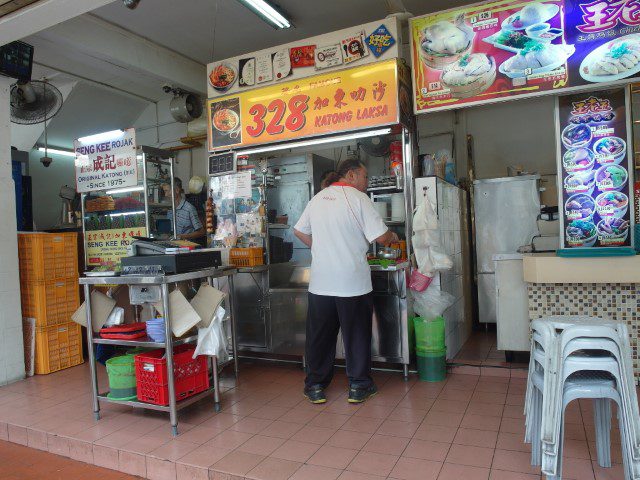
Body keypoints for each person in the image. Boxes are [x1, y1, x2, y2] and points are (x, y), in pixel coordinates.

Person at [294, 158, 399, 404]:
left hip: (321, 284)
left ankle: (315, 386)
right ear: (351, 175)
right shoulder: (359, 199)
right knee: (356, 335)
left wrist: (318, 247)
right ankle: (359, 386)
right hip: (352, 284)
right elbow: (382, 238)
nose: (366, 181)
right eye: (364, 176)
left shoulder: (318, 198)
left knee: (320, 337)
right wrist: (393, 235)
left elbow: (298, 230)